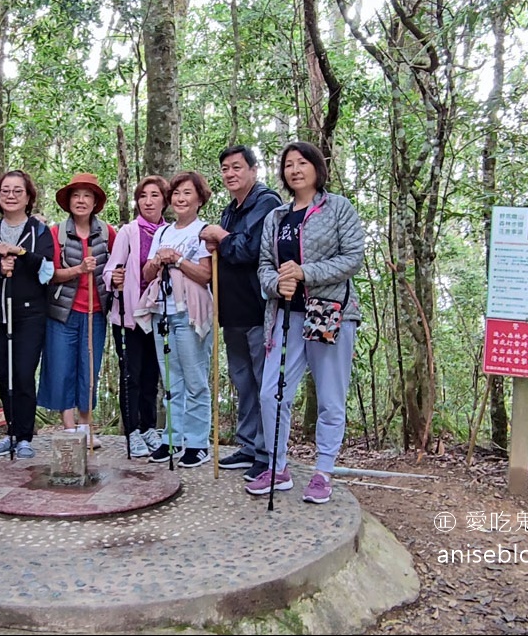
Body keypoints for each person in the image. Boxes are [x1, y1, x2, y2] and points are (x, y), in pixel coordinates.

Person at [246, 141, 364, 502]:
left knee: (330, 397)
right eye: (288, 165)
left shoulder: (338, 208)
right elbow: (264, 264)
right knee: (271, 392)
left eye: (302, 163)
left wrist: (304, 272)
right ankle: (277, 467)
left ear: (316, 167)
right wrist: (274, 283)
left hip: (330, 311)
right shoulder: (277, 216)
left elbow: (353, 258)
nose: (295, 170)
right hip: (285, 314)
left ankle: (323, 471)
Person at [200, 145, 282, 482]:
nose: (230, 174)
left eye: (236, 167)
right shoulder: (229, 210)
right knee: (243, 381)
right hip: (231, 309)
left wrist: (221, 237)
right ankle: (248, 444)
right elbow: (226, 248)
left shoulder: (267, 203)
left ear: (253, 169)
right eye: (225, 169)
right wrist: (218, 239)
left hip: (257, 307)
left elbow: (250, 248)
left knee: (263, 382)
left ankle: (267, 451)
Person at [138, 171, 214, 468]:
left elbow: (206, 275)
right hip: (163, 312)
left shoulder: (203, 231)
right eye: (176, 194)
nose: (180, 199)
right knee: (170, 380)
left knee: (195, 379)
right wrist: (157, 260)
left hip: (191, 313)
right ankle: (172, 438)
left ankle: (197, 443)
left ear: (199, 199)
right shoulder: (162, 232)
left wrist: (178, 260)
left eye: (187, 193)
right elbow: (146, 274)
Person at [0, 170, 55, 459]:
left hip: (29, 314)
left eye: (17, 191)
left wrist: (20, 253)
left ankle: (25, 436)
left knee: (23, 374)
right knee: (4, 376)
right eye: (5, 191)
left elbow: (46, 269)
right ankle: (10, 432)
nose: (10, 196)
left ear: (28, 197)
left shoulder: (39, 230)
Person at [38, 174, 116, 445]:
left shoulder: (108, 233)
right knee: (61, 367)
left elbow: (117, 268)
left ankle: (86, 426)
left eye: (87, 196)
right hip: (62, 312)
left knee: (89, 368)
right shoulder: (55, 232)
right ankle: (69, 429)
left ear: (95, 202)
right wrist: (78, 270)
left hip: (95, 312)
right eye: (76, 195)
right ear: (68, 201)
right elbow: (48, 274)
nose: (81, 201)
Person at [103, 175, 170, 457]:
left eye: (155, 195)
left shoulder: (170, 232)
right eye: (143, 196)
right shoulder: (128, 232)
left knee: (153, 374)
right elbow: (109, 270)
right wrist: (114, 278)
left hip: (158, 315)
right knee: (132, 373)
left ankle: (149, 428)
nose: (148, 201)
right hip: (129, 315)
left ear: (164, 200)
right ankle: (132, 432)